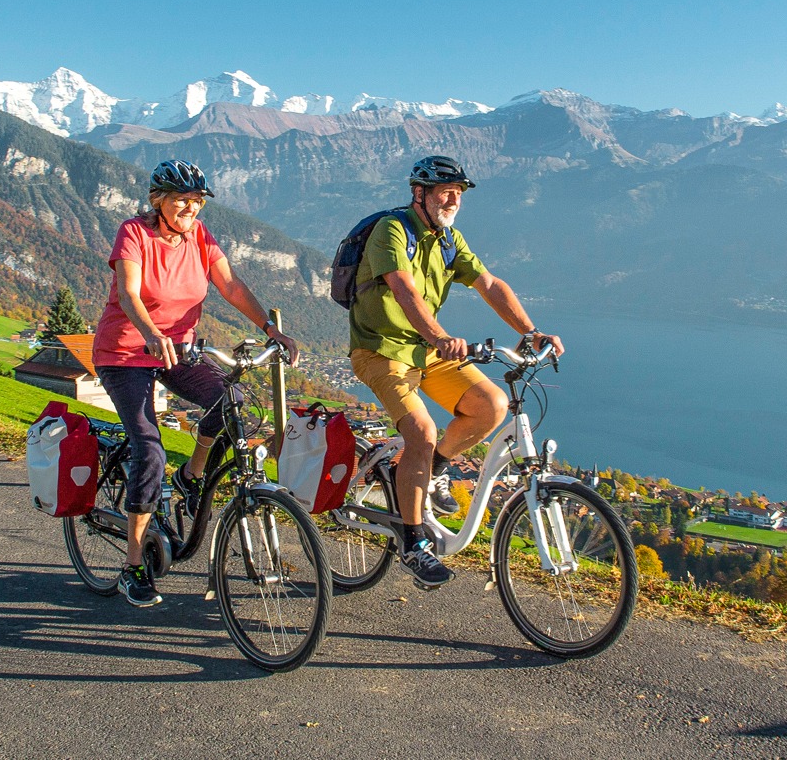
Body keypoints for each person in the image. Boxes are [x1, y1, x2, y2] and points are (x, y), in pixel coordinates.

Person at [348, 155, 563, 588]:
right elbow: (405, 292)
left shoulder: (449, 239)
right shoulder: (392, 231)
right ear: (419, 194)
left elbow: (490, 284)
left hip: (427, 351)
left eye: (459, 193)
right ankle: (412, 543)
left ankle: (434, 469)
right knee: (422, 434)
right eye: (445, 192)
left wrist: (531, 331)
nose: (453, 200)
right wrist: (440, 336)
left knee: (492, 404)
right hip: (381, 350)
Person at [93, 160, 299, 607]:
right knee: (148, 446)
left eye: (197, 201)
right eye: (181, 200)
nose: (190, 208)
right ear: (158, 201)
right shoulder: (135, 233)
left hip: (179, 352)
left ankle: (192, 474)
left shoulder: (200, 237)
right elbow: (128, 292)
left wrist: (270, 330)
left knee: (233, 400)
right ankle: (132, 565)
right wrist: (151, 333)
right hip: (125, 354)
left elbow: (231, 285)